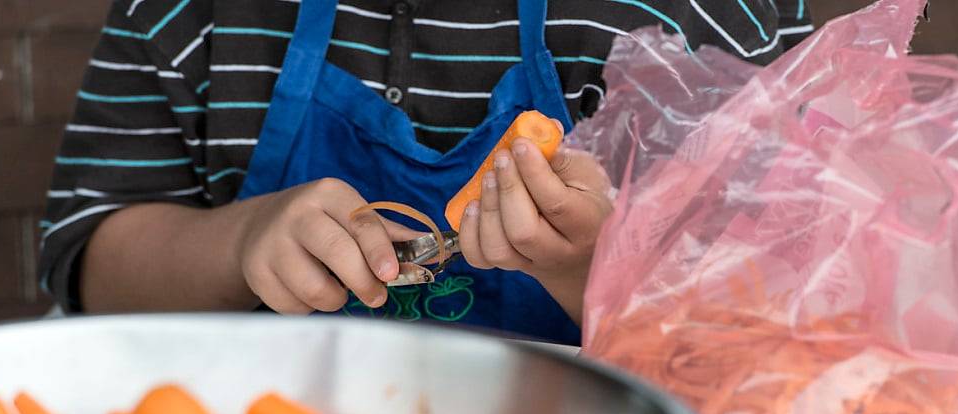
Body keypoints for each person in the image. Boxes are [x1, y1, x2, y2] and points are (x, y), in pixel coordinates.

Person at [40, 0, 813, 345]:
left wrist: (595, 272)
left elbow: (797, 315)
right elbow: (90, 259)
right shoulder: (192, 12)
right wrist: (241, 243)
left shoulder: (694, 21)